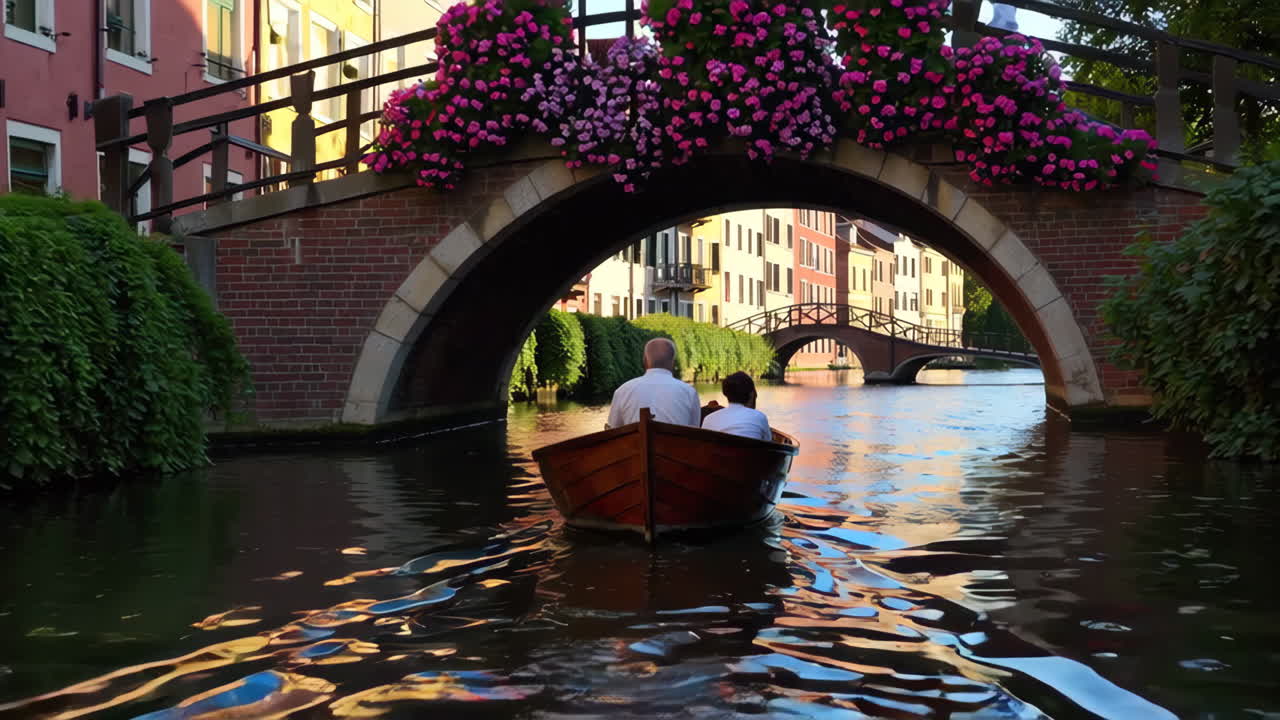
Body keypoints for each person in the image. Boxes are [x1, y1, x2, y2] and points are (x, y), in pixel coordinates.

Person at [606, 338, 701, 429]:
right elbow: (694, 432)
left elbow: (613, 431)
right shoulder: (689, 392)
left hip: (634, 445)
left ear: (645, 360)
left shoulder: (622, 390)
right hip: (674, 445)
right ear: (673, 362)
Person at [701, 372, 772, 442]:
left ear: (726, 394)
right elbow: (769, 445)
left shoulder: (708, 419)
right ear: (752, 394)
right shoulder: (759, 417)